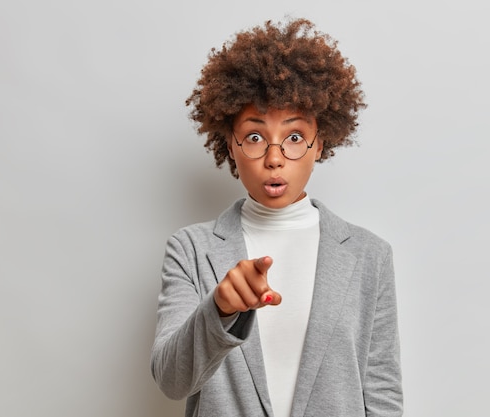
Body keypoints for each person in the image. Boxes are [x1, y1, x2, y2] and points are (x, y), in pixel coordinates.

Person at [151, 17, 403, 417]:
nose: (273, 157)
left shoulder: (370, 255)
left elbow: (382, 395)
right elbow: (171, 380)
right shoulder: (191, 250)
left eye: (295, 137)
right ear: (229, 146)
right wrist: (219, 309)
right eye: (254, 137)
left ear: (320, 144)